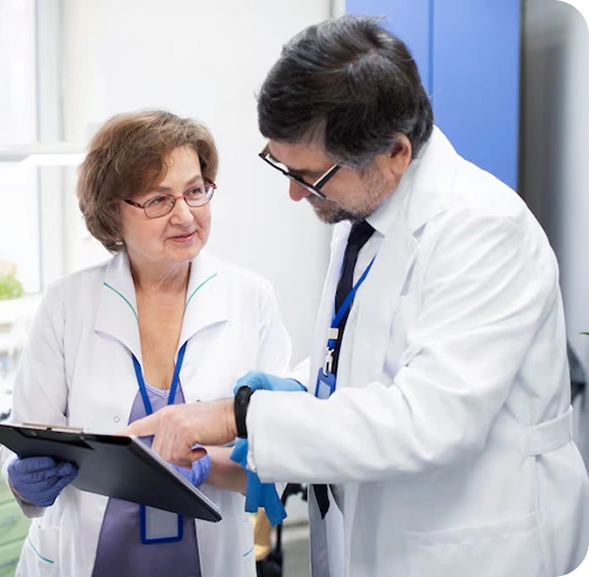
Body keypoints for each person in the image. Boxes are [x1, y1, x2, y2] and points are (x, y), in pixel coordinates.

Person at [124, 16, 589, 577]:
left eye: (311, 176)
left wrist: (239, 416)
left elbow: (430, 422)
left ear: (394, 152)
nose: (294, 193)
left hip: (471, 546)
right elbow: (366, 360)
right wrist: (300, 387)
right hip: (369, 533)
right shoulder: (363, 215)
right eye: (282, 165)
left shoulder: (485, 229)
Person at [0, 109, 292, 577]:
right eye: (158, 200)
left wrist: (205, 467)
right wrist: (22, 480)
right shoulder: (68, 303)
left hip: (207, 560)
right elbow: (27, 438)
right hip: (86, 558)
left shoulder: (251, 298)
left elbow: (279, 449)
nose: (185, 215)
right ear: (113, 212)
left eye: (195, 190)